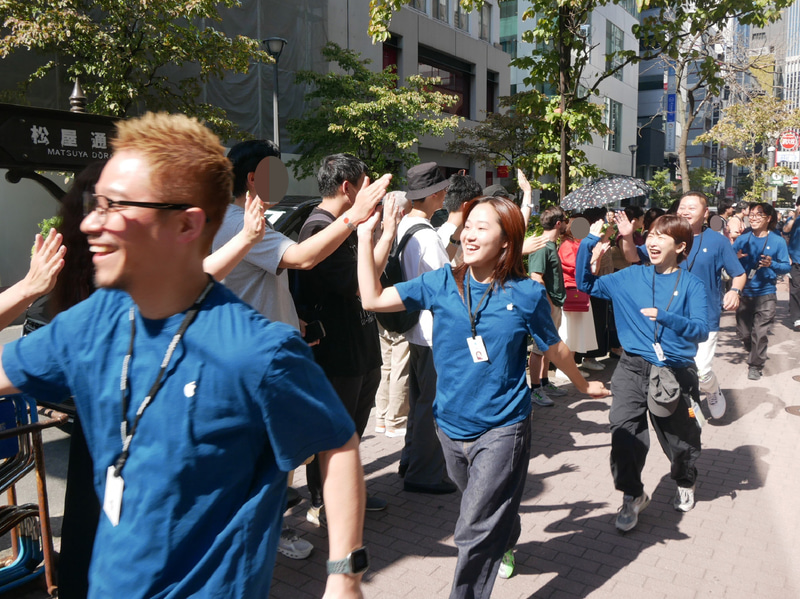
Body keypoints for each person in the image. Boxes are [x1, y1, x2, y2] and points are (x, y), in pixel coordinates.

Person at [0, 113, 368, 598]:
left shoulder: (258, 351)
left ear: (185, 224)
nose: (90, 222)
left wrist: (344, 576)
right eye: (94, 204)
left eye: (114, 206)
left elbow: (338, 442)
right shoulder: (95, 323)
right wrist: (25, 290)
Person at [357, 195, 608, 597]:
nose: (469, 234)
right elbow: (372, 299)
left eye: (482, 227)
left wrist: (582, 384)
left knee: (472, 526)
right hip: (449, 424)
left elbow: (554, 345)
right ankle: (506, 534)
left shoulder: (525, 294)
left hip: (504, 427)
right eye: (468, 225)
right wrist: (376, 234)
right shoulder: (441, 282)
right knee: (487, 508)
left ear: (507, 241)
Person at [576, 215, 709, 532]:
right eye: (650, 234)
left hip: (673, 371)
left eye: (662, 237)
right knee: (623, 433)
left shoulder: (692, 285)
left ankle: (685, 479)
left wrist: (667, 318)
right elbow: (586, 284)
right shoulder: (630, 277)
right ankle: (632, 495)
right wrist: (589, 242)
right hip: (631, 368)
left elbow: (701, 330)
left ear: (680, 246)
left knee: (677, 438)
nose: (652, 241)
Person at [294, 153, 394, 523]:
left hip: (360, 343)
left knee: (352, 427)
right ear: (347, 187)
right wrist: (384, 233)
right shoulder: (320, 228)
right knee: (335, 429)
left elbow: (370, 281)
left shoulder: (344, 226)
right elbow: (358, 284)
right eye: (365, 186)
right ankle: (323, 501)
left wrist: (379, 230)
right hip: (337, 350)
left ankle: (347, 493)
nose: (370, 194)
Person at [617, 192, 747, 420]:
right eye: (682, 207)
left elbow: (739, 273)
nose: (684, 211)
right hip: (667, 316)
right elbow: (632, 258)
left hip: (704, 318)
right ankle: (688, 404)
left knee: (702, 370)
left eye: (691, 207)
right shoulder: (665, 236)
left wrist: (735, 291)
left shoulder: (718, 241)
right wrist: (627, 237)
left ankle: (712, 388)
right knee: (677, 367)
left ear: (706, 213)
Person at [394, 161, 457, 494]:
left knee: (419, 400)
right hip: (433, 330)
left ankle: (410, 460)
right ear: (433, 194)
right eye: (442, 188)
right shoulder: (428, 237)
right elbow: (444, 285)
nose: (445, 193)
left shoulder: (404, 226)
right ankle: (425, 473)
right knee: (433, 404)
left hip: (414, 326)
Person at [733, 202, 791, 380]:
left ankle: (756, 365)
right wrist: (736, 258)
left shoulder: (777, 241)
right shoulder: (743, 239)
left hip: (766, 293)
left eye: (759, 215)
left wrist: (771, 264)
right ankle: (753, 349)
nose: (753, 218)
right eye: (751, 214)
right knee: (744, 332)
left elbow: (786, 267)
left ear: (769, 218)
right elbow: (728, 261)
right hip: (744, 293)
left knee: (760, 331)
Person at [374, 191, 412, 438]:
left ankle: (380, 417)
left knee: (386, 365)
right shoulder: (399, 234)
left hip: (379, 307)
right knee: (400, 366)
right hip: (398, 308)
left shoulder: (374, 231)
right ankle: (396, 421)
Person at [527, 205, 569, 407]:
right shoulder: (542, 246)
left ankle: (544, 382)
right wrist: (549, 304)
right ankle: (535, 389)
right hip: (546, 307)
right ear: (558, 224)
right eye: (566, 222)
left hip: (553, 305)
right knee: (538, 348)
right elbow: (536, 277)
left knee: (547, 347)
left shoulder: (551, 245)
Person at [558, 215, 602, 371]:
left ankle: (570, 368)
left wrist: (598, 257)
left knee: (576, 333)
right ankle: (565, 369)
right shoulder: (567, 245)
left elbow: (591, 271)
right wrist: (593, 257)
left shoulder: (580, 244)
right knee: (569, 332)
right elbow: (576, 267)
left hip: (581, 292)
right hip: (572, 292)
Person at [783, 199, 800, 331]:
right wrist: (794, 217)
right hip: (796, 259)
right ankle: (797, 318)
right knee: (796, 289)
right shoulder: (794, 220)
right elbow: (785, 231)